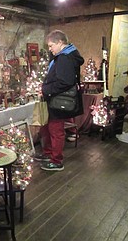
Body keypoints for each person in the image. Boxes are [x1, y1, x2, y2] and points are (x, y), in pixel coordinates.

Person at [35, 30, 84, 171]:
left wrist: (45, 90)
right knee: (46, 127)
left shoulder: (65, 58)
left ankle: (56, 161)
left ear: (60, 42)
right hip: (52, 99)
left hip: (57, 100)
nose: (50, 49)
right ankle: (48, 153)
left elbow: (65, 82)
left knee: (55, 131)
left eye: (51, 46)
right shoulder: (64, 56)